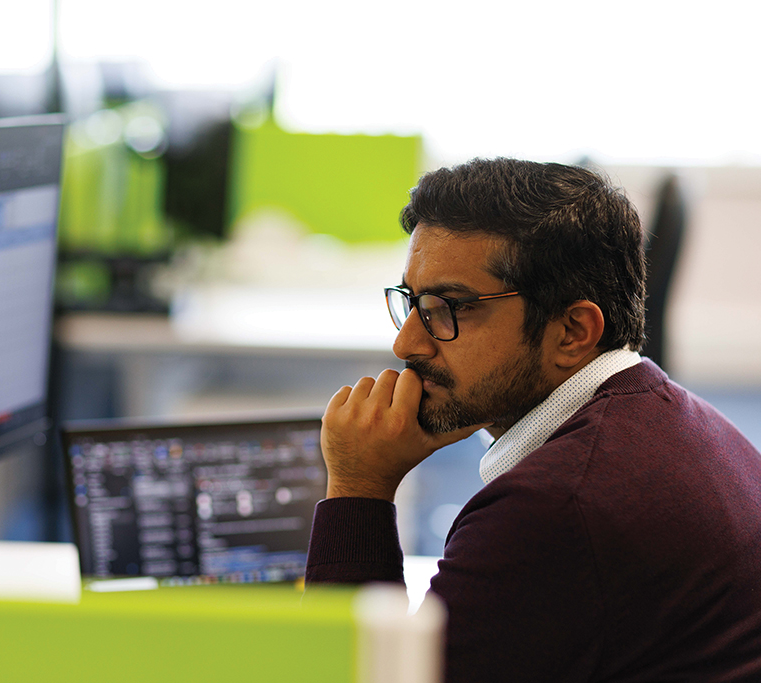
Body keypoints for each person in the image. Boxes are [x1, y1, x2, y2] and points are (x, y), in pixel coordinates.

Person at [305, 158, 761, 682]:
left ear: (572, 331)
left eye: (450, 306)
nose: (406, 342)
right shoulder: (665, 412)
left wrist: (359, 487)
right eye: (413, 301)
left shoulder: (555, 508)